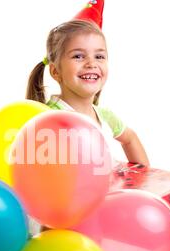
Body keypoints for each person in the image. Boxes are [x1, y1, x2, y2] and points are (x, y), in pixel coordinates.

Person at [25, 2, 149, 167]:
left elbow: (130, 138)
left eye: (99, 56)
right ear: (56, 72)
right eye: (78, 56)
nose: (91, 63)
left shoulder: (104, 116)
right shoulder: (50, 118)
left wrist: (146, 180)